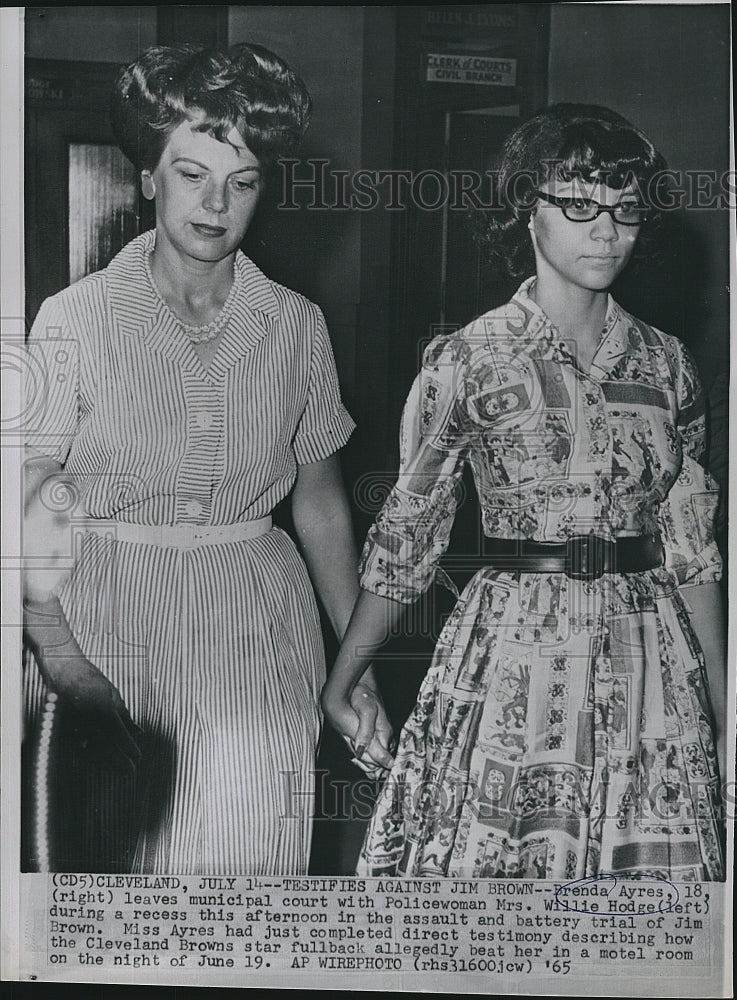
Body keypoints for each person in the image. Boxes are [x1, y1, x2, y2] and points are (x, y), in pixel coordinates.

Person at [322, 103, 726, 880]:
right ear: (525, 211)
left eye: (623, 208)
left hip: (648, 659)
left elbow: (693, 548)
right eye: (578, 205)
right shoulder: (466, 361)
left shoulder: (667, 365)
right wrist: (344, 683)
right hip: (512, 648)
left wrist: (722, 703)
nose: (604, 229)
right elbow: (407, 539)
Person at [22, 42, 387, 875]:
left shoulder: (295, 324)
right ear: (148, 176)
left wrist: (354, 665)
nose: (216, 203)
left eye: (243, 180)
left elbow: (322, 508)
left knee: (250, 872)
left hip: (256, 626)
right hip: (106, 623)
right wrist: (69, 671)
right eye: (192, 174)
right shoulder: (73, 320)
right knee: (109, 896)